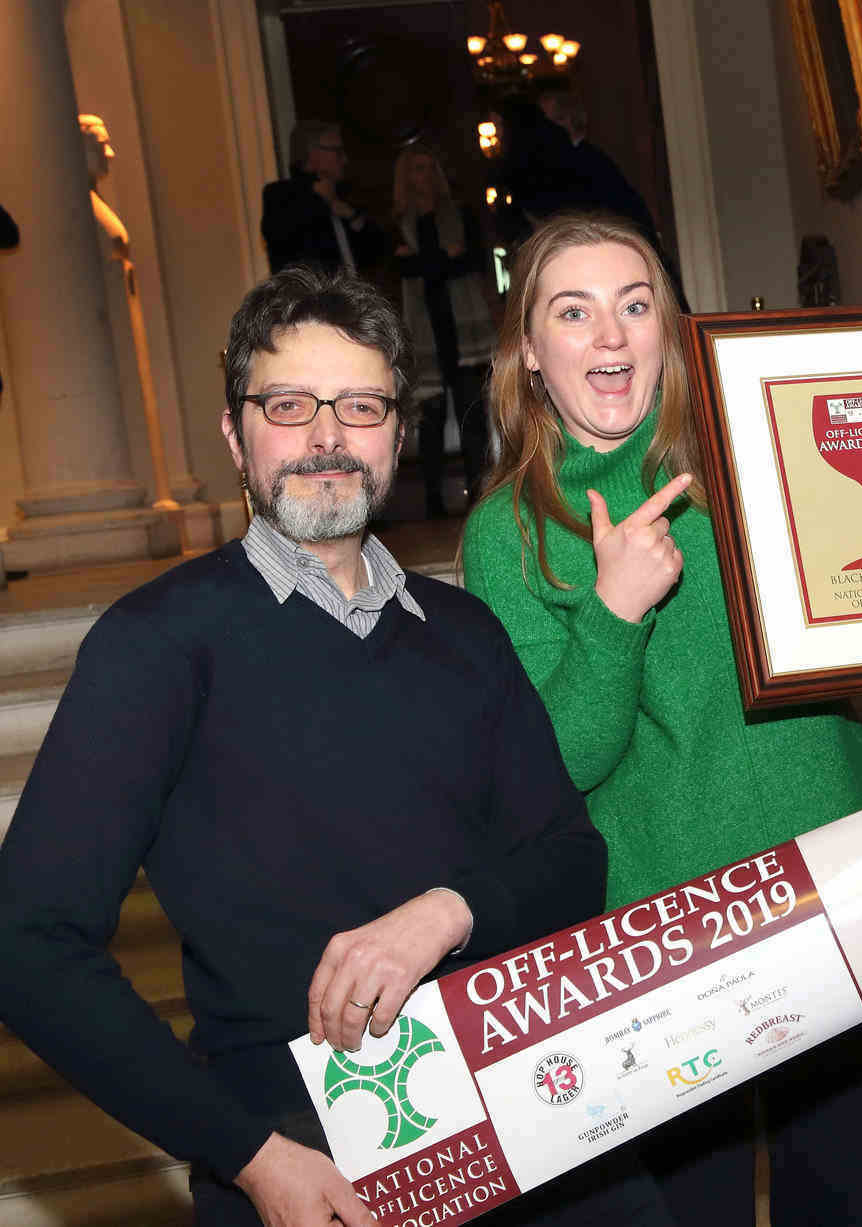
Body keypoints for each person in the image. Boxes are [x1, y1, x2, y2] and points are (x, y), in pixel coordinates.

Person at [0, 266, 665, 1227]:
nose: (326, 437)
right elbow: (26, 942)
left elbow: (571, 860)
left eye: (359, 405)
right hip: (303, 1165)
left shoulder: (463, 633)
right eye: (288, 404)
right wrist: (248, 1155)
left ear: (399, 433)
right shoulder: (158, 645)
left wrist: (447, 911)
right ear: (235, 434)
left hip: (524, 1117)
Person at [460, 212, 862, 1226]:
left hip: (842, 885)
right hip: (668, 944)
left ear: (669, 325)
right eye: (573, 312)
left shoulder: (751, 454)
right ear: (529, 351)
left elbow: (852, 604)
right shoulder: (509, 531)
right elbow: (555, 765)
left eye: (635, 303)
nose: (611, 337)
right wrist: (614, 615)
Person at [392, 144, 494, 516]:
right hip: (424, 328)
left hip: (462, 325)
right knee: (430, 418)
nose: (425, 176)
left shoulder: (460, 214)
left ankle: (481, 494)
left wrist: (425, 261)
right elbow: (403, 270)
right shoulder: (400, 222)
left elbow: (471, 260)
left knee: (472, 413)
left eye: (429, 167)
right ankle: (433, 501)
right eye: (417, 168)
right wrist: (440, 259)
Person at [261, 120, 386, 276]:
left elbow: (377, 253)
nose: (345, 159)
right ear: (313, 153)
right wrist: (319, 200)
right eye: (338, 151)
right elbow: (284, 238)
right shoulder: (280, 194)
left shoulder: (342, 197)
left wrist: (352, 215)